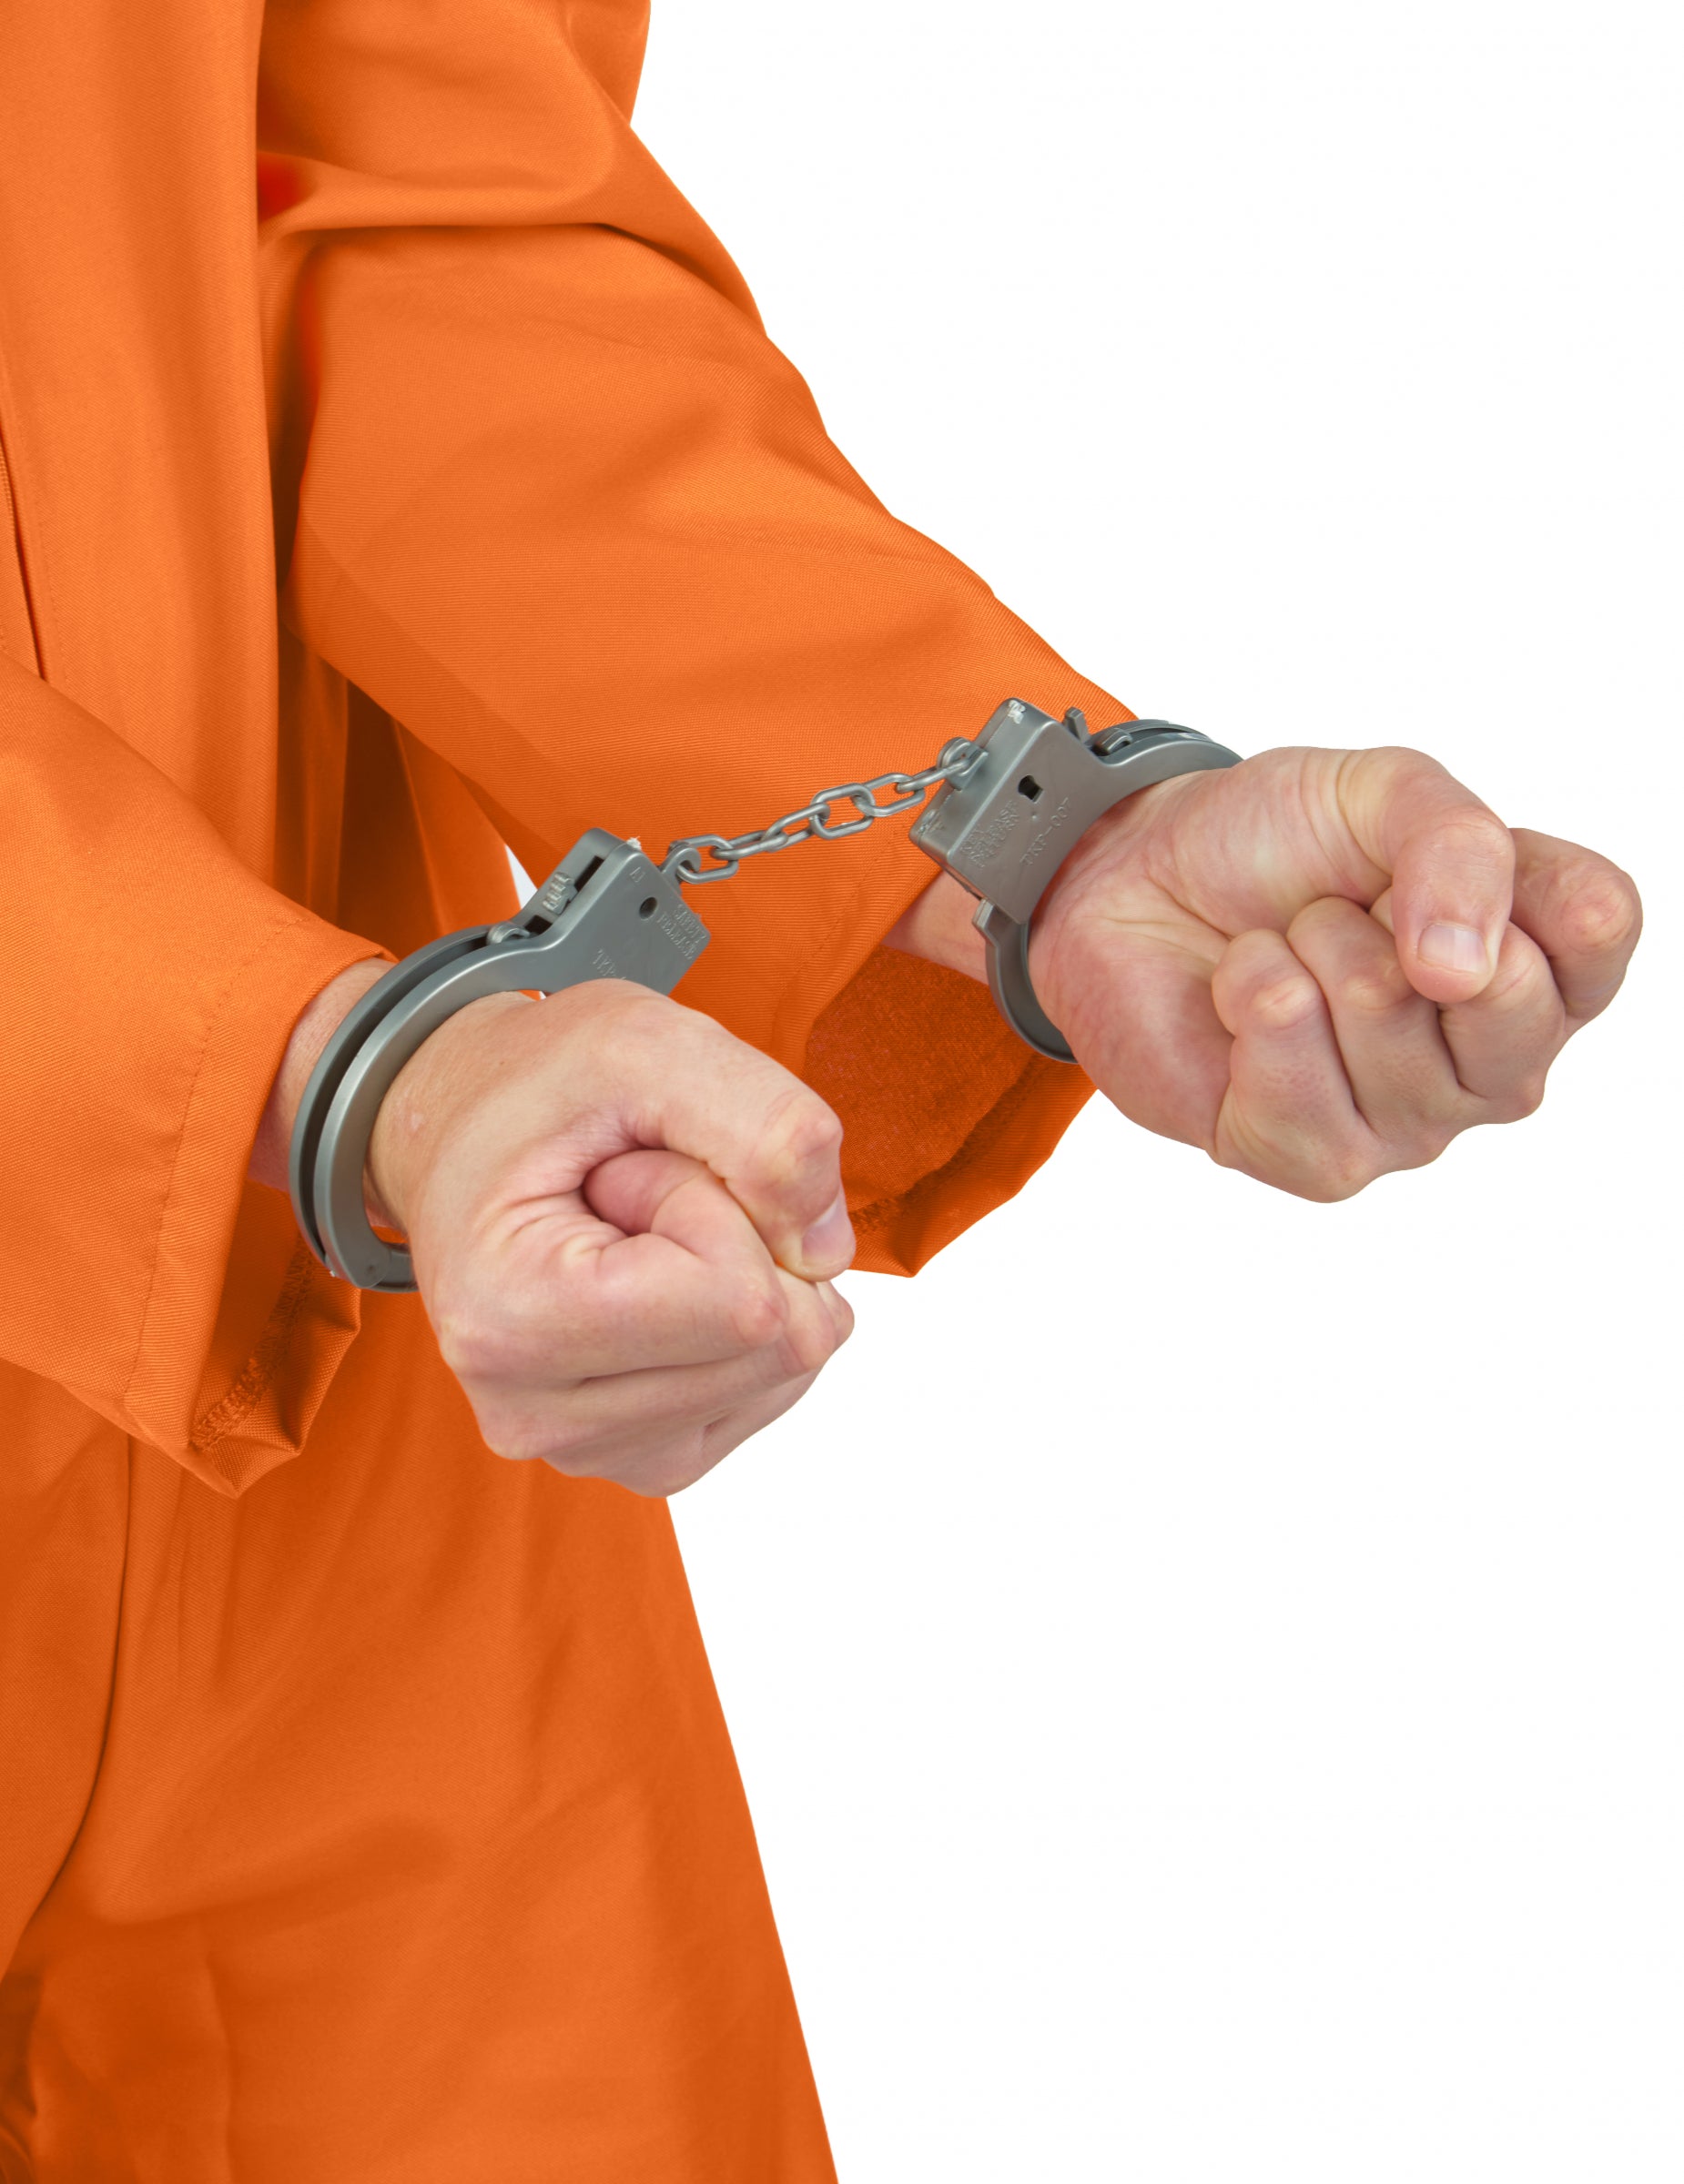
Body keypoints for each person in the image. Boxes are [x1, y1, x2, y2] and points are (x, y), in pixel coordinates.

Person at [0, 2, 1639, 2177]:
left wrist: (1036, 844)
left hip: (351, 1399)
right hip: (350, 1156)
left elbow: (385, 205)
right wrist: (278, 1060)